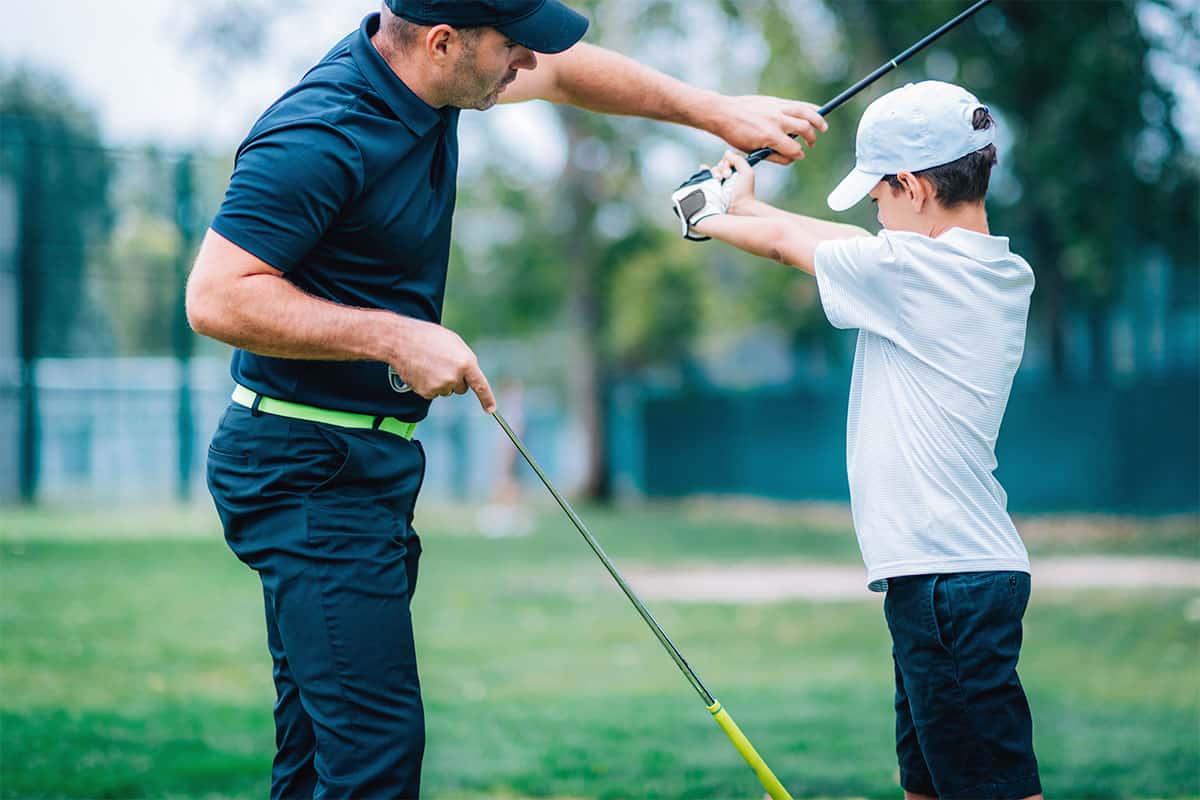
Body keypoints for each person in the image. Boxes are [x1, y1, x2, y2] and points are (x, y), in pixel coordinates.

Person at [185, 1, 828, 796]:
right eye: (511, 46)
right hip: (306, 468)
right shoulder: (321, 133)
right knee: (373, 759)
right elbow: (215, 298)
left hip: (360, 463)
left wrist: (716, 111)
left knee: (321, 754)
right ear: (443, 41)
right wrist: (397, 337)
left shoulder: (430, 80)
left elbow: (563, 71)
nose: (526, 62)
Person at [675, 81, 1043, 800]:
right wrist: (742, 204)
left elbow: (793, 246)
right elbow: (848, 245)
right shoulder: (994, 269)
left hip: (948, 579)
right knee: (931, 785)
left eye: (878, 197)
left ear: (910, 185)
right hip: (947, 579)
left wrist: (704, 218)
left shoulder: (911, 273)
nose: (873, 214)